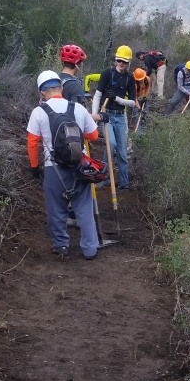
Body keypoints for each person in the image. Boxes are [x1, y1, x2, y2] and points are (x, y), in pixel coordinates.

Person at [27, 70, 101, 259]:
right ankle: (90, 249)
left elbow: (32, 143)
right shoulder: (77, 108)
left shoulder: (38, 112)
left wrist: (35, 168)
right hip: (80, 166)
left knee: (56, 208)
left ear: (42, 92)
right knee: (84, 208)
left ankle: (61, 246)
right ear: (61, 87)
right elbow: (93, 136)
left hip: (53, 168)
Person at [91, 46, 138, 190]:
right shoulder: (107, 74)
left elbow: (131, 102)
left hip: (120, 117)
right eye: (119, 60)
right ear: (115, 60)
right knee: (110, 144)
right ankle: (105, 179)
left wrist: (117, 99)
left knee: (122, 152)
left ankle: (124, 184)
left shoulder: (130, 79)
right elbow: (98, 95)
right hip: (106, 115)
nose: (121, 63)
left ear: (129, 62)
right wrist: (95, 116)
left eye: (124, 61)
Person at [132, 67, 151, 132]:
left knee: (145, 113)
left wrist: (145, 96)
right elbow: (133, 96)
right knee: (136, 115)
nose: (141, 80)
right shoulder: (134, 83)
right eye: (139, 79)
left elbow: (147, 88)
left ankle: (144, 130)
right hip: (135, 98)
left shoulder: (147, 79)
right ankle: (138, 131)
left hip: (142, 96)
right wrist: (138, 106)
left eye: (142, 79)